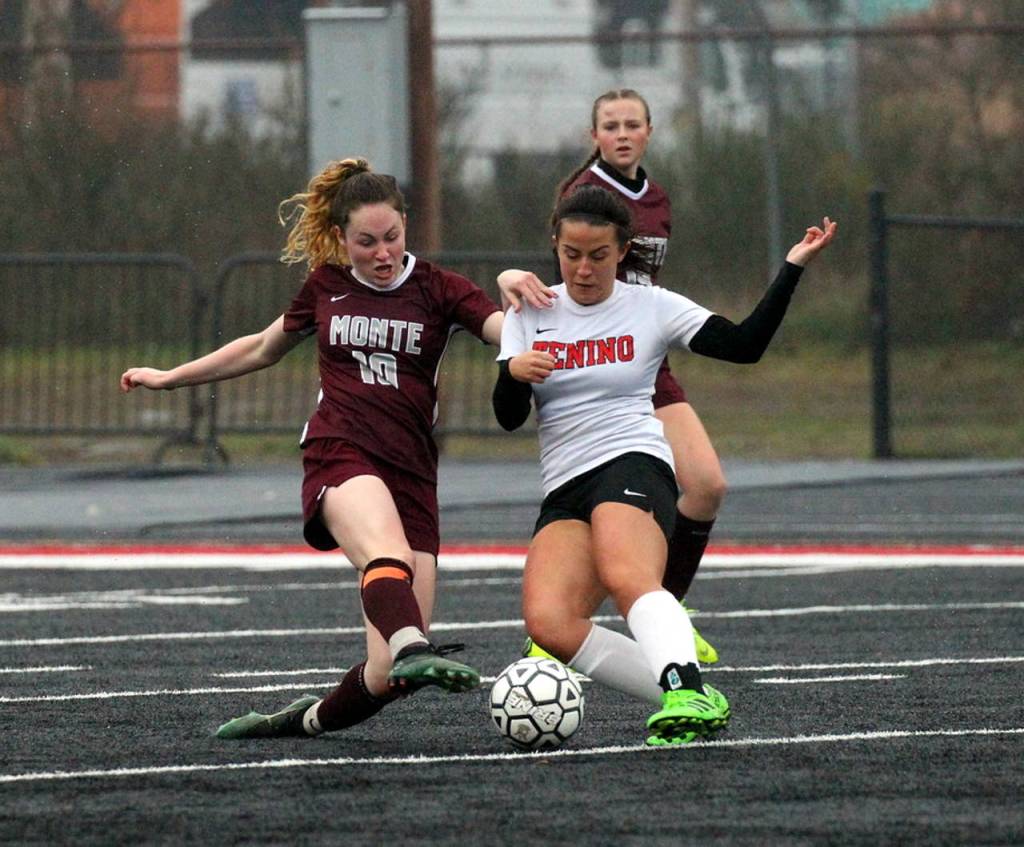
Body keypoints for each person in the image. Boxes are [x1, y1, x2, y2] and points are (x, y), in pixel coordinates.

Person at [120, 157, 531, 740]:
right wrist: (169, 376)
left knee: (390, 675)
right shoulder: (328, 285)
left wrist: (515, 286)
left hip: (412, 472)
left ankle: (298, 722)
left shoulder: (439, 289)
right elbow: (260, 348)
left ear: (406, 226)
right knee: (389, 567)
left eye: (392, 237)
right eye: (366, 242)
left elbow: (507, 333)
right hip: (341, 452)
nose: (382, 253)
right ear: (342, 238)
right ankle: (416, 643)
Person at [492, 184, 835, 745]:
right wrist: (512, 375)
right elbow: (507, 417)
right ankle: (687, 695)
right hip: (565, 483)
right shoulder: (529, 313)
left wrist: (793, 267)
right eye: (571, 254)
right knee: (549, 623)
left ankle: (685, 686)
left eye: (598, 256)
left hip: (634, 461)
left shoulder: (650, 305)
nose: (583, 269)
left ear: (622, 250)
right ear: (555, 246)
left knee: (629, 574)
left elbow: (744, 345)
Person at [508, 89, 724, 666]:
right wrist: (511, 277)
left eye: (632, 124)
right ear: (595, 135)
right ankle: (573, 624)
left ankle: (664, 617)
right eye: (610, 125)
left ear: (650, 132)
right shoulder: (584, 194)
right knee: (616, 523)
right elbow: (561, 271)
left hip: (643, 353)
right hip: (601, 358)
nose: (622, 133)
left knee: (705, 485)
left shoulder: (655, 196)